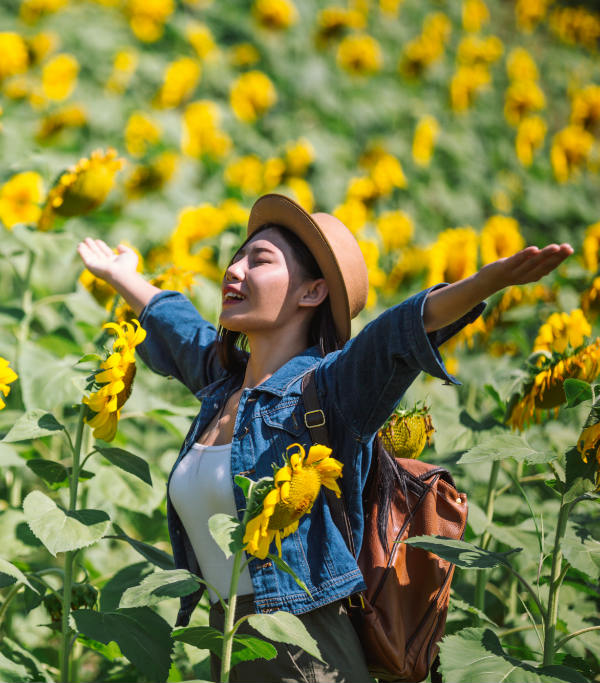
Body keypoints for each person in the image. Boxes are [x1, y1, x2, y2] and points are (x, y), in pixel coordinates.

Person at [76, 193, 573, 682]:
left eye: (259, 260)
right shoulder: (224, 384)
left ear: (312, 292)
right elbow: (178, 326)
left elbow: (396, 335)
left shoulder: (332, 390)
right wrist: (122, 275)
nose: (234, 270)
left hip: (301, 647)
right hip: (228, 635)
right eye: (236, 258)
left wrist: (484, 282)